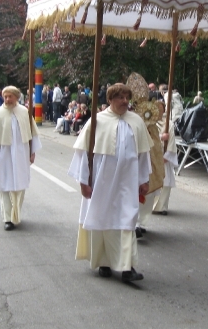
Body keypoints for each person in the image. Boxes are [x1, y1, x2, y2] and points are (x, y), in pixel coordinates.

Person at [70, 83, 152, 282]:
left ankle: (127, 267)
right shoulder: (97, 121)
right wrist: (83, 181)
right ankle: (104, 262)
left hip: (128, 180)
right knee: (103, 218)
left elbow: (143, 154)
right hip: (102, 180)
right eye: (120, 98)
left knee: (127, 219)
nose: (125, 101)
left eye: (127, 97)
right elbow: (83, 155)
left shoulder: (136, 121)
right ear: (110, 100)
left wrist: (144, 179)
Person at [0, 86, 42, 231]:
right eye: (5, 96)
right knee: (5, 187)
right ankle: (7, 219)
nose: (7, 99)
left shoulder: (24, 112)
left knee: (20, 186)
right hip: (4, 156)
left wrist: (32, 152)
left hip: (21, 155)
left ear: (17, 97)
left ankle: (16, 214)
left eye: (10, 96)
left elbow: (32, 135)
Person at [152, 102, 178, 216]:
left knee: (165, 182)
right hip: (152, 157)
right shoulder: (149, 123)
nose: (159, 111)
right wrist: (160, 137)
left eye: (161, 109)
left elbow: (171, 140)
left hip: (164, 156)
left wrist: (167, 156)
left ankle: (161, 206)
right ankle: (151, 206)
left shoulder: (169, 124)